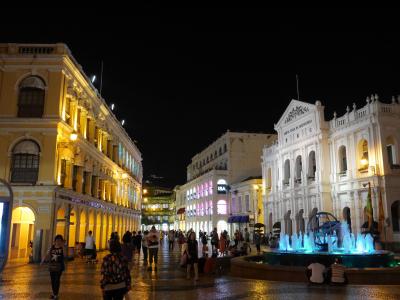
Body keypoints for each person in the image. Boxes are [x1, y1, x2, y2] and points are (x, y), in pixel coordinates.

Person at [41, 234, 65, 299]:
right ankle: (54, 293)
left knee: (57, 280)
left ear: (62, 241)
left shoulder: (62, 248)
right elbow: (47, 254)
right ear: (55, 241)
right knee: (52, 280)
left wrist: (63, 247)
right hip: (52, 267)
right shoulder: (52, 247)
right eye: (57, 240)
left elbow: (65, 256)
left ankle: (55, 294)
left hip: (59, 267)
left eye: (60, 240)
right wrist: (42, 261)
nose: (58, 242)